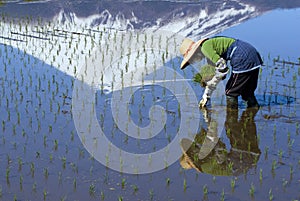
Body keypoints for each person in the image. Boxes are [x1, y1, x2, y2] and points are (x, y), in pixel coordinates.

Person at [179, 36, 263, 108]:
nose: (194, 61)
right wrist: (206, 95)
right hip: (253, 54)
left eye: (192, 59)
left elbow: (223, 68)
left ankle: (231, 118)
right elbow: (219, 73)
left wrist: (212, 82)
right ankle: (253, 110)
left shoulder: (205, 48)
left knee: (230, 92)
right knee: (247, 92)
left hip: (241, 57)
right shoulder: (209, 46)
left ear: (195, 53)